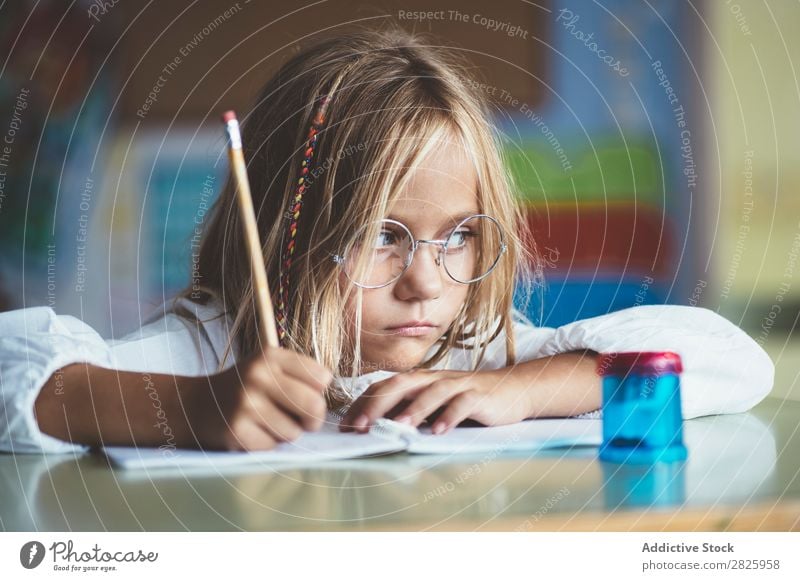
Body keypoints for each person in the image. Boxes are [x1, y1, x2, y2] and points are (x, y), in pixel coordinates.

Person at [0, 28, 773, 454]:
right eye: (381, 236)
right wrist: (189, 409)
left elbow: (734, 361)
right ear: (283, 233)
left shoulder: (477, 354)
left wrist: (523, 389)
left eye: (461, 237)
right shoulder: (211, 352)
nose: (428, 284)